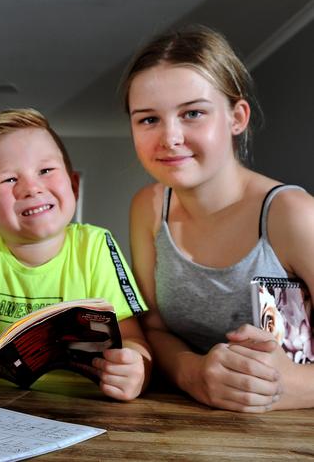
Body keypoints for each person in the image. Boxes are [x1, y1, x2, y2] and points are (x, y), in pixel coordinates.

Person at [0, 108, 151, 401]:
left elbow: (134, 340)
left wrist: (137, 370)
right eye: (9, 180)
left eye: (45, 171)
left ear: (73, 185)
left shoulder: (96, 246)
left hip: (82, 406)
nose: (31, 188)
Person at [125, 25, 314, 412]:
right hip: (180, 429)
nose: (170, 137)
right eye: (148, 120)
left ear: (237, 117)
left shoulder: (293, 215)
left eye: (192, 113)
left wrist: (283, 387)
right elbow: (154, 329)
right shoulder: (147, 208)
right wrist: (195, 374)